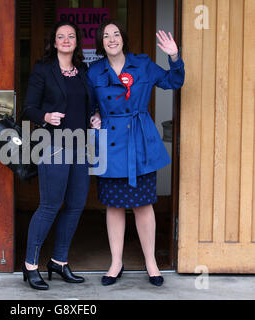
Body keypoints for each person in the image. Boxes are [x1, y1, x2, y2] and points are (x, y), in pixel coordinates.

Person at [87, 20, 185, 287]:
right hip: (110, 142)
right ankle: (116, 262)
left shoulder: (142, 64)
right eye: (106, 36)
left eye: (116, 34)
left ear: (123, 38)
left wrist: (174, 55)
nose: (111, 39)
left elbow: (174, 81)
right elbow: (86, 103)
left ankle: (151, 262)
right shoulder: (94, 71)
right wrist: (93, 116)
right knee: (114, 206)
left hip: (140, 140)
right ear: (101, 43)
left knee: (143, 204)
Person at [21, 21, 101, 290]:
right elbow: (28, 108)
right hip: (54, 145)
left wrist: (96, 115)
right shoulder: (43, 70)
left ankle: (59, 261)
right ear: (54, 42)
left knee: (77, 205)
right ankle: (30, 264)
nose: (66, 40)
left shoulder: (84, 72)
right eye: (60, 37)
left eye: (70, 36)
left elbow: (89, 104)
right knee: (50, 206)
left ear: (77, 42)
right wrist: (45, 116)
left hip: (80, 145)